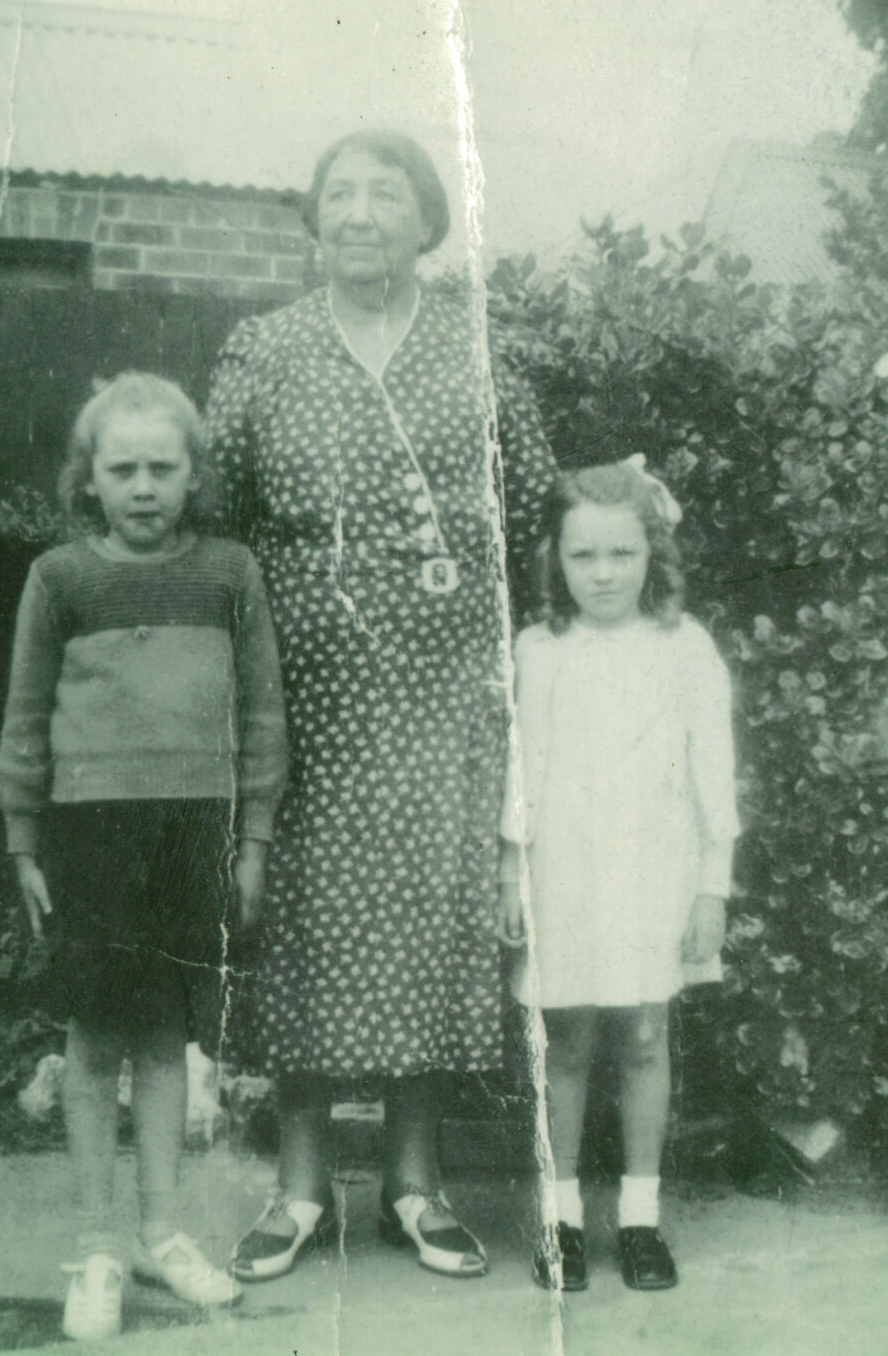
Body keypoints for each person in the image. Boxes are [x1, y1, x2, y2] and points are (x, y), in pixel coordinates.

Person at [205, 129, 553, 1281]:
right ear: (314, 221)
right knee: (303, 925)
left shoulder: (474, 348)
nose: (359, 212)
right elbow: (220, 510)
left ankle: (416, 1183)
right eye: (339, 194)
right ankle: (298, 1188)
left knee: (430, 924)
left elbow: (529, 500)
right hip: (301, 686)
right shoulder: (264, 349)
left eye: (385, 193)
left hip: (445, 686)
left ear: (426, 219)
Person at [0, 372, 287, 1341]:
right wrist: (24, 837)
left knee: (164, 1038)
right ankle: (98, 1244)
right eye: (123, 469)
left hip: (195, 829)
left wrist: (252, 840)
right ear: (90, 477)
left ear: (194, 474)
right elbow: (25, 717)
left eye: (164, 467)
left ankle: (161, 1230)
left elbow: (262, 717)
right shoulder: (60, 579)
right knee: (93, 1039)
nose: (145, 486)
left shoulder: (230, 574)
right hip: (91, 833)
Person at [498, 458, 739, 1294]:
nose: (603, 574)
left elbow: (714, 774)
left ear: (653, 555)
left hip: (653, 872)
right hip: (563, 871)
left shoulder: (684, 646)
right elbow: (521, 771)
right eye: (583, 556)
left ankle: (640, 1218)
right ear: (555, 559)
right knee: (565, 1042)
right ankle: (561, 1218)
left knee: (642, 1035)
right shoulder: (539, 649)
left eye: (622, 554)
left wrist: (712, 885)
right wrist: (511, 872)